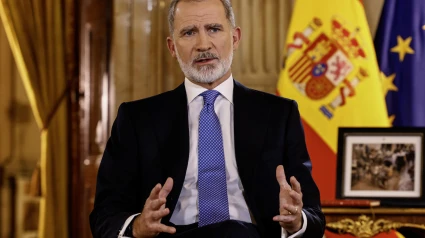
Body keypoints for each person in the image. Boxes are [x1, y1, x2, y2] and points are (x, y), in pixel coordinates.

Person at [89, 0, 325, 237]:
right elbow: (105, 215)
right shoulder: (136, 119)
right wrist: (138, 225)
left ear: (235, 38)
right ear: (172, 47)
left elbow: (313, 215)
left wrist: (295, 220)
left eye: (213, 29)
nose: (203, 44)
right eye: (189, 32)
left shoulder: (279, 114)